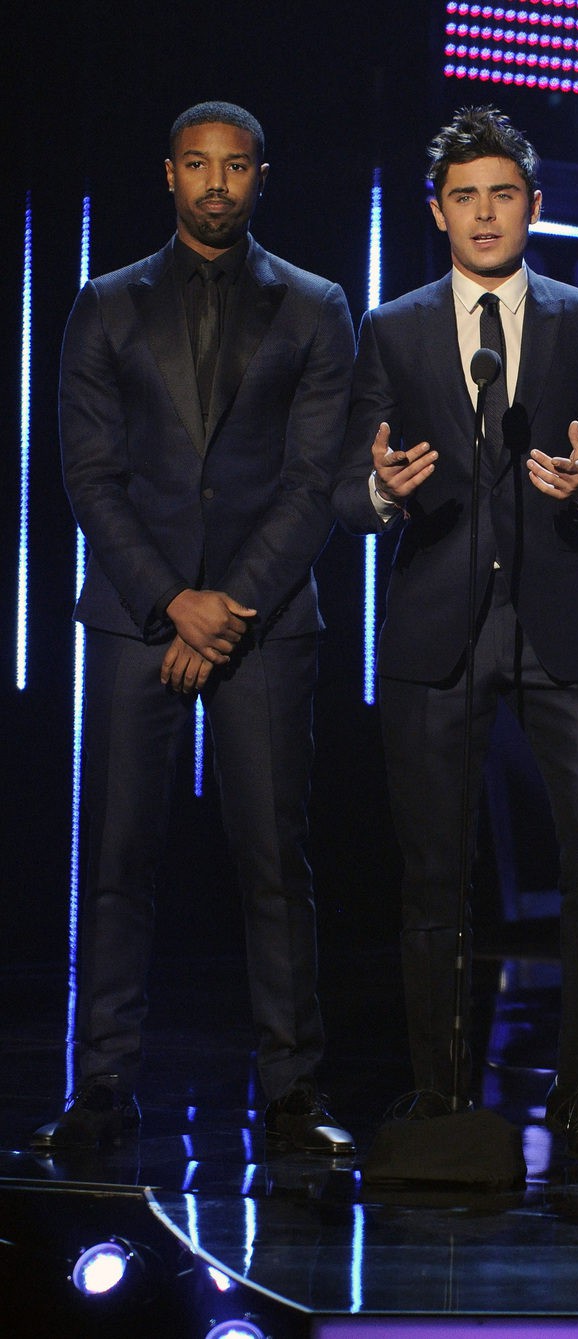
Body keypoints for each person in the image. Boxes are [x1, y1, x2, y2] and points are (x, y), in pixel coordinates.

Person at [32, 101, 356, 1155]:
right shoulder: (102, 302)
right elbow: (90, 475)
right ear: (168, 174)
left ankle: (295, 1098)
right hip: (138, 619)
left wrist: (224, 610)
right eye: (196, 166)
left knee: (275, 862)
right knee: (118, 856)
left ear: (262, 175)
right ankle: (100, 1089)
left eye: (235, 168)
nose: (216, 184)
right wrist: (172, 600)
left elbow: (313, 483)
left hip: (264, 620)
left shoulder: (315, 306)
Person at [330, 105, 578, 1163]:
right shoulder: (393, 327)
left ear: (534, 206)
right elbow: (344, 486)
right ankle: (436, 1090)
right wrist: (380, 493)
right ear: (435, 211)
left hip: (560, 620)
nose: (482, 212)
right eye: (463, 195)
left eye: (501, 193)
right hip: (436, 627)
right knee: (432, 871)